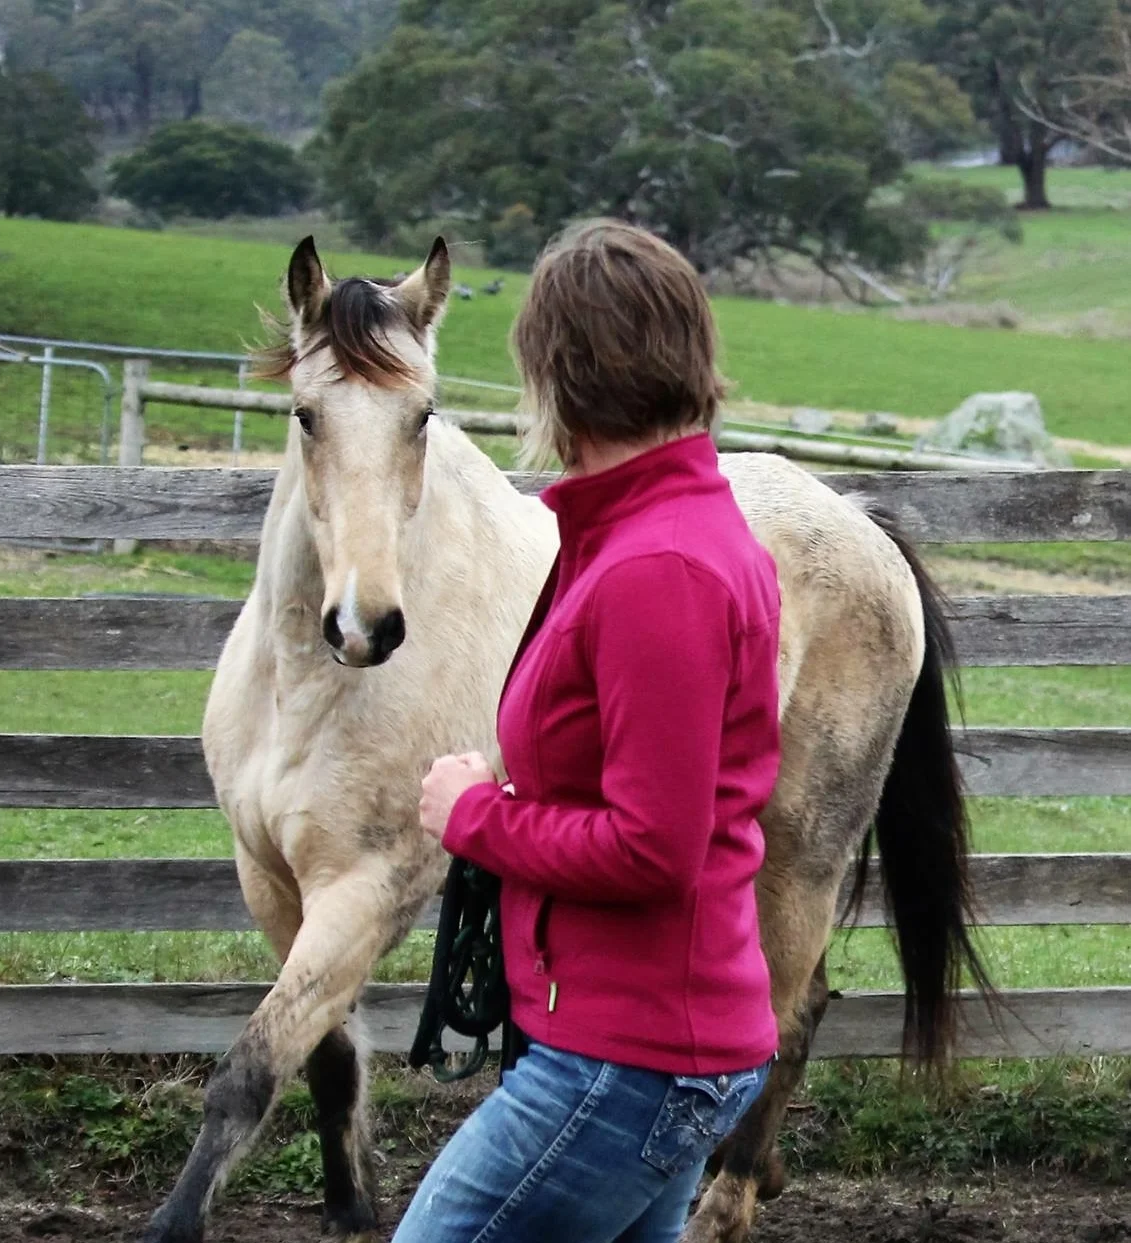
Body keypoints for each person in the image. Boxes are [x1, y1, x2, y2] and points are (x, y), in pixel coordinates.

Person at [393, 219, 782, 1243]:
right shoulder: (639, 536)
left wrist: (475, 816)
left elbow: (653, 846)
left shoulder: (660, 568)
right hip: (638, 1043)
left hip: (626, 1055)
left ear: (554, 371)